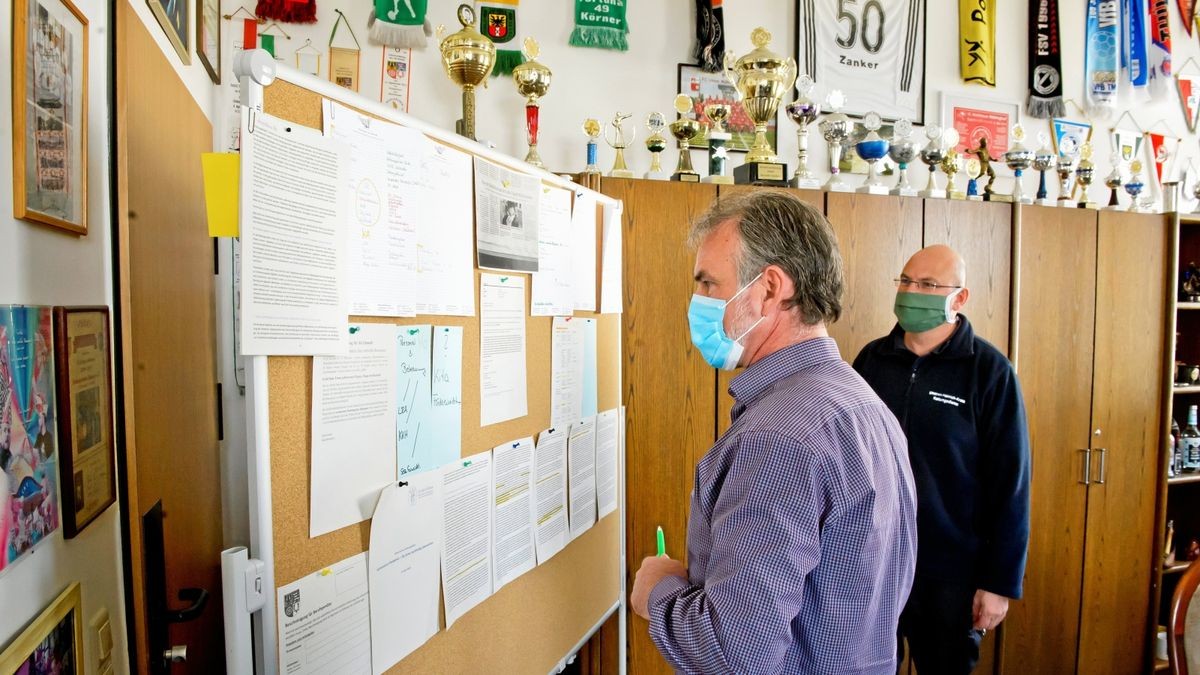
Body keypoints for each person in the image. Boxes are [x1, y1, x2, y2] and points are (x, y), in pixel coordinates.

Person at [630, 192, 917, 674]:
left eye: (708, 283)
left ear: (770, 288)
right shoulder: (860, 403)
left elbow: (734, 653)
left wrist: (658, 591)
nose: (698, 302)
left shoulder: (780, 437)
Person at [852, 245, 1031, 674]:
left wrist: (998, 583)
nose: (913, 292)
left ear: (960, 298)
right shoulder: (871, 361)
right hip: (876, 563)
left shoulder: (989, 372)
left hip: (952, 573)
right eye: (907, 281)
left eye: (929, 285)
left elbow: (1012, 483)